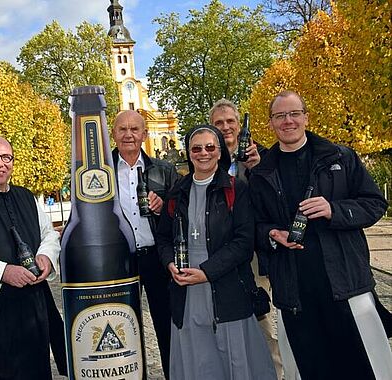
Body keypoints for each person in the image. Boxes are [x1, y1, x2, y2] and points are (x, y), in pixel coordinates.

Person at [250, 90, 392, 379]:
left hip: (345, 283)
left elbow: (375, 203)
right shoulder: (262, 172)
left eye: (294, 114)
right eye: (280, 116)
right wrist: (272, 233)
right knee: (310, 369)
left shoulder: (339, 156)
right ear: (270, 124)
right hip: (295, 290)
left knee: (364, 368)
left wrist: (333, 210)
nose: (288, 121)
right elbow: (254, 225)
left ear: (306, 117)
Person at [157, 125, 277, 379]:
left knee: (233, 359)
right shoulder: (177, 192)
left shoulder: (236, 188)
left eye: (210, 147)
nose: (204, 153)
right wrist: (169, 262)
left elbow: (244, 243)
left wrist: (206, 272)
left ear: (220, 151)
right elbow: (164, 238)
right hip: (187, 293)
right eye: (197, 148)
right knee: (198, 361)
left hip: (227, 288)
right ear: (189, 153)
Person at [0, 136, 62, 380]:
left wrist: (46, 257)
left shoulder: (26, 196)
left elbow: (48, 233)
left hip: (33, 303)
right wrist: (3, 272)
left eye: (6, 157)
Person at [209, 98, 284, 379]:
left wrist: (257, 169)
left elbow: (274, 202)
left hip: (253, 253)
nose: (226, 127)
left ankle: (274, 373)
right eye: (219, 123)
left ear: (240, 126)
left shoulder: (261, 157)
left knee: (263, 322)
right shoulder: (207, 157)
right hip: (218, 254)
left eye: (230, 121)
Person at [111, 110, 179, 379]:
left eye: (134, 129)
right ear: (114, 134)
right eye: (122, 129)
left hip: (155, 257)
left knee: (166, 324)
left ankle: (173, 373)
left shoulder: (164, 170)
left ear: (144, 134)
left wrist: (164, 209)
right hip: (119, 260)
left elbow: (180, 217)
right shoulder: (100, 172)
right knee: (122, 325)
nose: (128, 134)